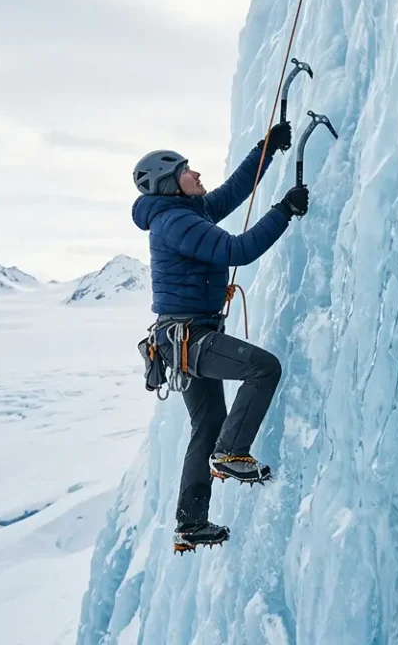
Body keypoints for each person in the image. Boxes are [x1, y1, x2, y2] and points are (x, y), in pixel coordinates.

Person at [130, 122, 309, 553]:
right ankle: (232, 453)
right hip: (190, 339)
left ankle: (190, 523)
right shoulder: (175, 223)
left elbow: (232, 193)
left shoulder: (187, 213)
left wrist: (266, 149)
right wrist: (284, 210)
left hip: (183, 340)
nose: (196, 175)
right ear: (170, 183)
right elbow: (238, 250)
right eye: (187, 171)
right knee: (263, 369)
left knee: (207, 423)